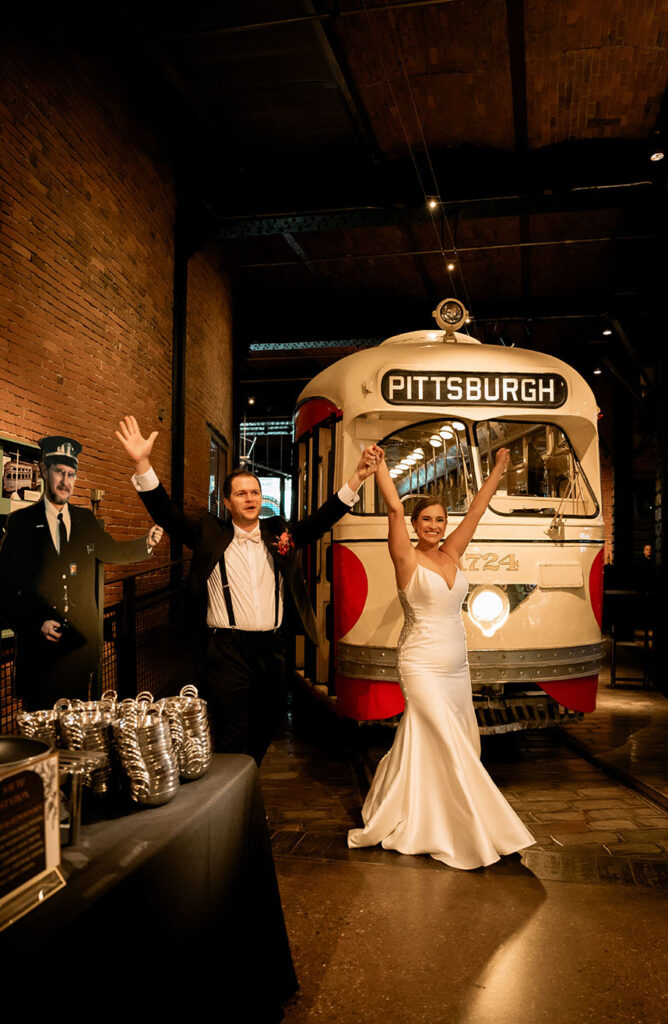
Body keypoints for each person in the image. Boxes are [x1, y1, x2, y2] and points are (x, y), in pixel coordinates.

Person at [115, 415, 380, 764]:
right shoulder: (210, 534)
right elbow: (167, 515)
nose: (250, 498)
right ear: (227, 503)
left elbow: (319, 521)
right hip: (226, 650)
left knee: (265, 727)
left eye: (254, 492)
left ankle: (246, 785)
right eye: (241, 493)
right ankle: (230, 806)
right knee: (230, 731)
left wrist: (358, 477)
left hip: (272, 648)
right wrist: (142, 463)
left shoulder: (278, 534)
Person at [348, 445, 535, 869]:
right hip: (420, 665)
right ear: (415, 525)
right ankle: (476, 829)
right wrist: (378, 470)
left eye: (439, 520)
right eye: (426, 520)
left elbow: (478, 509)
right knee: (449, 743)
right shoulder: (406, 558)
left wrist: (500, 469)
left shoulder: (452, 553)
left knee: (454, 740)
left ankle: (410, 806)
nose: (433, 526)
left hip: (456, 667)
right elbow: (394, 510)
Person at [0, 435, 163, 711]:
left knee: (76, 735)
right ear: (43, 470)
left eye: (72, 474)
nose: (66, 482)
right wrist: (36, 623)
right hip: (39, 657)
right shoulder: (21, 523)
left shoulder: (85, 520)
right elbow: (3, 590)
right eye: (59, 473)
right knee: (43, 738)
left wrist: (145, 544)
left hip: (78, 655)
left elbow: (112, 551)